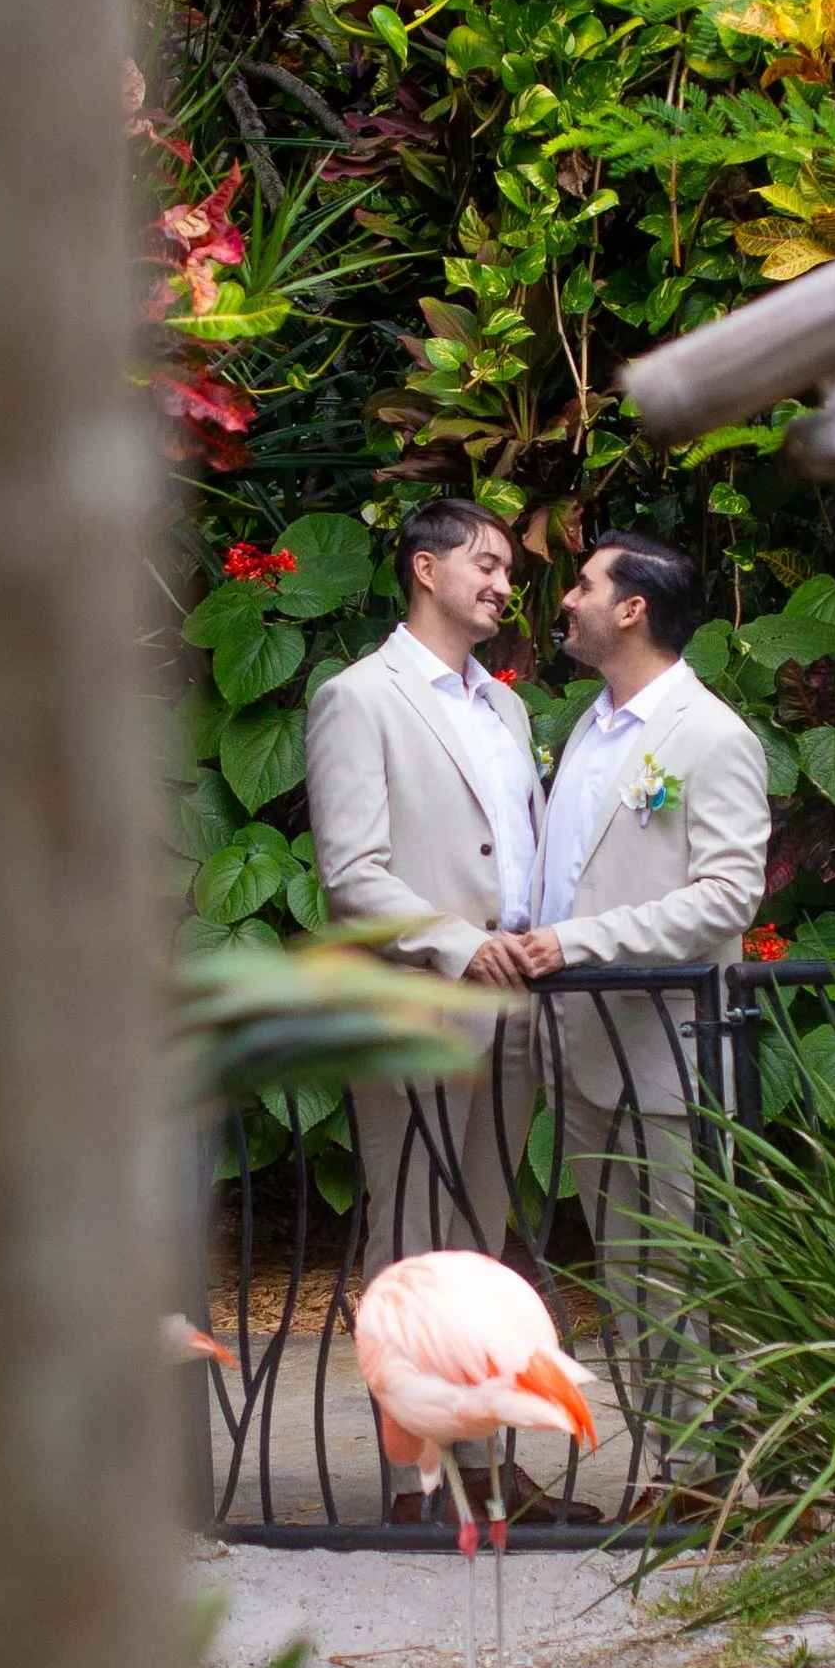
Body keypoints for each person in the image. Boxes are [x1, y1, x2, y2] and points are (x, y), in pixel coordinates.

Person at [497, 534, 768, 1480]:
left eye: (583, 585)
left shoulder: (712, 735)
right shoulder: (590, 728)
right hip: (583, 1049)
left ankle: (703, 1483)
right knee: (625, 1276)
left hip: (668, 1056)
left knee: (678, 1275)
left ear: (633, 609)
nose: (563, 600)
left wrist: (577, 946)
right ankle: (677, 1474)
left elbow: (728, 896)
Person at [305, 496, 544, 1285]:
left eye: (508, 570)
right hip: (416, 1002)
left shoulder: (506, 706)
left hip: (515, 1009)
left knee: (481, 1248)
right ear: (426, 568)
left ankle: (471, 1415)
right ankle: (400, 1416)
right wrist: (463, 946)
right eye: (488, 564)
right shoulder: (358, 697)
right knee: (414, 1244)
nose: (505, 585)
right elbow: (351, 876)